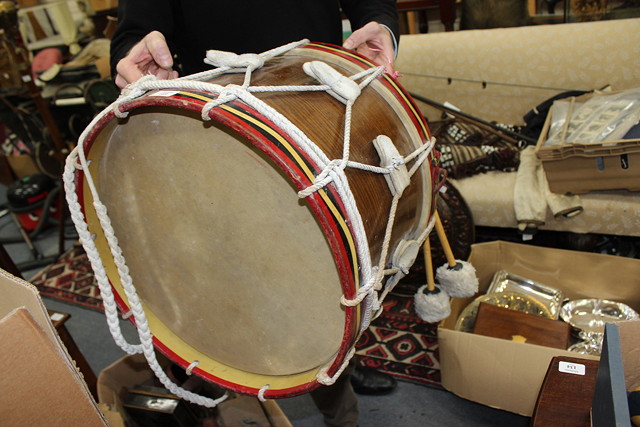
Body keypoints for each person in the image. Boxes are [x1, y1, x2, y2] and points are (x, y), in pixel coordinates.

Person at [110, 2, 399, 426]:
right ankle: (229, 398)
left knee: (327, 268)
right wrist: (136, 48)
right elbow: (138, 20)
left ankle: (339, 382)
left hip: (316, 103)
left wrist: (383, 25)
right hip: (210, 116)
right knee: (221, 273)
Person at [111, 1, 399, 89]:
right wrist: (136, 60)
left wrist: (380, 22)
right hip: (215, 117)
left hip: (326, 98)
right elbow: (134, 33)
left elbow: (372, 4)